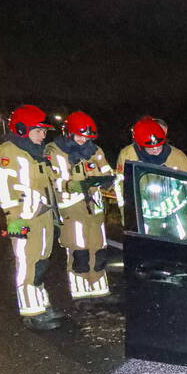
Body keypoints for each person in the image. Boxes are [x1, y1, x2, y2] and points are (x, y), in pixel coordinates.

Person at [0, 105, 66, 330]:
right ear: (23, 129)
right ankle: (31, 313)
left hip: (43, 216)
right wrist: (13, 218)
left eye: (44, 131)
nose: (43, 135)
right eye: (39, 130)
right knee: (26, 263)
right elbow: (5, 188)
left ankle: (42, 305)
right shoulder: (9, 151)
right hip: (22, 219)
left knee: (41, 261)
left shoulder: (39, 153)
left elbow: (50, 185)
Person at [46, 111, 116, 302]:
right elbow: (54, 180)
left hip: (95, 207)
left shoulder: (95, 150)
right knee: (79, 249)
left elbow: (107, 171)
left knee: (99, 248)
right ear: (68, 132)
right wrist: (72, 185)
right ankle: (81, 292)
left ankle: (100, 289)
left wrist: (108, 180)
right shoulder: (55, 151)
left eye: (87, 137)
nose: (83, 140)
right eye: (79, 136)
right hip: (71, 207)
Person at [114, 116, 187, 239]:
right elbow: (122, 188)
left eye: (158, 146)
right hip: (146, 217)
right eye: (150, 148)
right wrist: (128, 217)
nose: (155, 150)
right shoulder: (128, 156)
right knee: (147, 250)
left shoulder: (178, 157)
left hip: (176, 214)